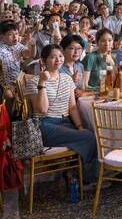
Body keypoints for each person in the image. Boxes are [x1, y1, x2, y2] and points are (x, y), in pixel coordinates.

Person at [25, 44, 98, 186]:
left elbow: (72, 107)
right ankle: (86, 178)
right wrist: (42, 83)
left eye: (60, 56)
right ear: (43, 60)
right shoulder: (34, 81)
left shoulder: (66, 79)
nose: (57, 59)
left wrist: (80, 126)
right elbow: (42, 110)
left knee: (89, 132)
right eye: (52, 57)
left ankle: (75, 172)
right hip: (45, 125)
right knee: (88, 138)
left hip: (65, 123)